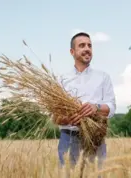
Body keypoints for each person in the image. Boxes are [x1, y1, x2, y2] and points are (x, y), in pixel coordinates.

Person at [54, 32, 116, 170]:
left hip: (95, 140)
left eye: (89, 45)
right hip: (68, 138)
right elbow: (55, 117)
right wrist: (68, 119)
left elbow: (111, 107)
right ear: (72, 51)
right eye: (82, 45)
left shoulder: (103, 77)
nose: (87, 48)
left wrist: (96, 107)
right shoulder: (62, 80)